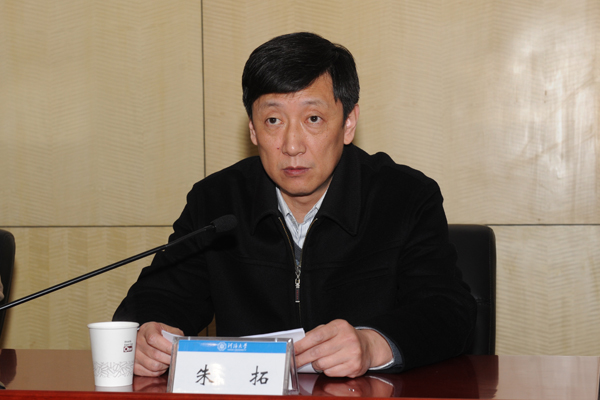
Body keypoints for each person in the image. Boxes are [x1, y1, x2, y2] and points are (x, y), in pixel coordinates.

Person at [113, 32, 476, 378]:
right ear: (253, 130)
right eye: (273, 120)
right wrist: (147, 333)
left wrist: (372, 344)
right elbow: (156, 298)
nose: (291, 145)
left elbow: (449, 312)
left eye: (313, 119)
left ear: (348, 123)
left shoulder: (404, 197)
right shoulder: (217, 202)